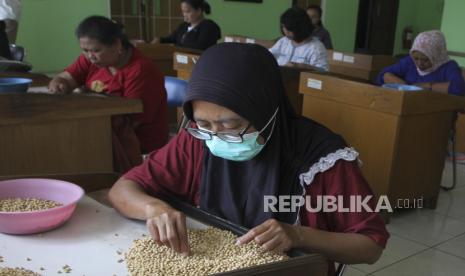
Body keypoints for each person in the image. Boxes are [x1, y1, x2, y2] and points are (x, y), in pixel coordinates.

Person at [109, 43, 389, 275]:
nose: (216, 135)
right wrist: (153, 209)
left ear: (266, 110)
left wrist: (298, 235)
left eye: (231, 125)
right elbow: (123, 189)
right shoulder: (199, 141)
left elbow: (370, 246)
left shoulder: (323, 158)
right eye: (204, 123)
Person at [48, 16, 168, 173]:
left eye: (97, 50)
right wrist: (59, 83)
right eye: (85, 50)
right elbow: (66, 78)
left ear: (117, 45)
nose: (90, 56)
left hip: (135, 144)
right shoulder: (92, 60)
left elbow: (130, 122)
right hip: (103, 131)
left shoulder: (141, 70)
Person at [376, 30, 465, 96]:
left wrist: (425, 87)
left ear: (436, 55)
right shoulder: (409, 62)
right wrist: (402, 86)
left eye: (425, 60)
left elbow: (459, 88)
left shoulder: (448, 67)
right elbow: (382, 75)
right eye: (416, 58)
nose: (419, 63)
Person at [151, 0, 221, 51]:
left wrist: (176, 47)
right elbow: (172, 38)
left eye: (187, 11)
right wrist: (160, 40)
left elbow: (201, 47)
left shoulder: (209, 27)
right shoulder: (184, 26)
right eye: (183, 11)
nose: (184, 14)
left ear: (199, 11)